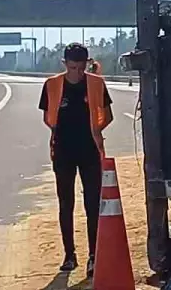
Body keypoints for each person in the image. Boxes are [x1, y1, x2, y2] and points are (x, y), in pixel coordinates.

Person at [39, 43, 115, 277]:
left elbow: (107, 115)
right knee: (66, 203)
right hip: (63, 151)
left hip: (90, 151)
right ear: (65, 64)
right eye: (73, 68)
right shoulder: (52, 85)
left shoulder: (96, 83)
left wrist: (94, 131)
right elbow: (47, 117)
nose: (77, 73)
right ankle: (69, 255)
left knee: (93, 204)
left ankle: (94, 255)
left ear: (86, 64)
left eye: (81, 68)